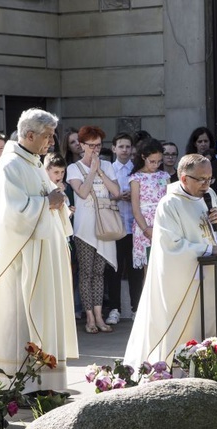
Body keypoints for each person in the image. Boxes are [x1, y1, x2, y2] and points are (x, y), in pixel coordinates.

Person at [0, 108, 78, 393]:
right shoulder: (10, 165)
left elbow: (48, 199)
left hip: (43, 255)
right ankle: (18, 384)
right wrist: (47, 202)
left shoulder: (35, 163)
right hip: (22, 260)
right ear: (29, 135)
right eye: (48, 136)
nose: (52, 141)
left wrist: (56, 201)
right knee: (20, 319)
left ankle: (44, 382)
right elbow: (10, 215)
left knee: (41, 316)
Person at [123, 153, 217, 368]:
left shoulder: (209, 195)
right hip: (188, 279)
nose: (206, 184)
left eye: (209, 179)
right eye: (201, 179)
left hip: (213, 275)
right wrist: (210, 249)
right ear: (184, 178)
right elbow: (171, 246)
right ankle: (180, 369)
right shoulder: (169, 204)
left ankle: (216, 365)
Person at [66, 125, 120, 334]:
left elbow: (116, 192)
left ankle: (99, 316)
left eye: (98, 145)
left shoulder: (107, 165)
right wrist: (91, 171)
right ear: (81, 145)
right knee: (86, 272)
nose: (95, 149)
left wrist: (100, 170)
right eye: (91, 146)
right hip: (84, 226)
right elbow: (82, 192)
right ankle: (89, 317)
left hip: (104, 224)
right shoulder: (73, 168)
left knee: (99, 272)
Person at [106, 132, 143, 324]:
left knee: (135, 269)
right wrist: (119, 196)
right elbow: (103, 196)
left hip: (135, 227)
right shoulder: (109, 169)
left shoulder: (136, 170)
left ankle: (136, 309)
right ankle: (114, 308)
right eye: (121, 146)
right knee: (114, 269)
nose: (125, 150)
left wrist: (134, 195)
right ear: (114, 148)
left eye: (128, 146)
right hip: (115, 226)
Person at [129, 138, 169, 276]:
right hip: (144, 224)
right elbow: (135, 208)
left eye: (159, 161)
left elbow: (169, 200)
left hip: (163, 221)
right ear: (143, 157)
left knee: (165, 265)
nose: (156, 165)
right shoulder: (136, 178)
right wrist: (146, 228)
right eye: (152, 161)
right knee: (149, 267)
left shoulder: (164, 175)